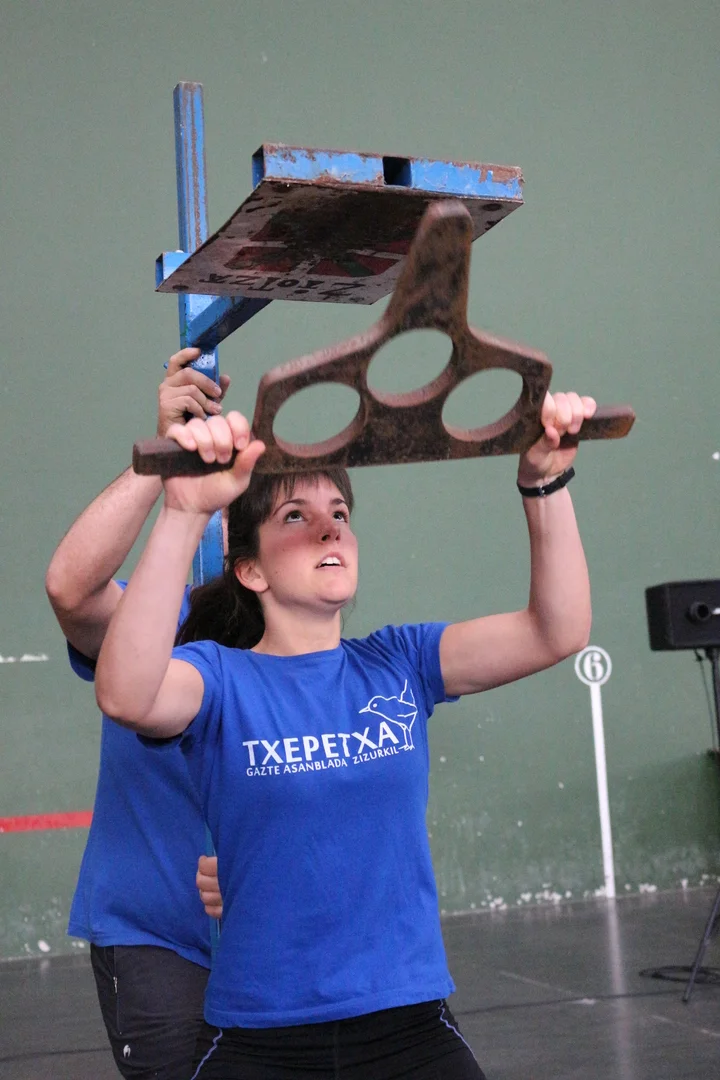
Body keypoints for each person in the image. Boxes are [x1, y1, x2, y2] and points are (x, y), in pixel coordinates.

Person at [95, 389, 595, 1079]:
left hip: (409, 1028)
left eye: (339, 514)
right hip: (262, 1038)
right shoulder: (218, 680)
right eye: (295, 517)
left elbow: (556, 630)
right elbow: (126, 694)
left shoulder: (401, 662)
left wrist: (545, 480)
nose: (329, 530)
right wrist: (183, 513)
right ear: (251, 569)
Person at [45, 348, 228, 1080]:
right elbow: (71, 590)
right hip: (158, 938)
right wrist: (163, 457)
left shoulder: (307, 642)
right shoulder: (158, 618)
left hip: (272, 937)